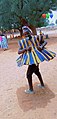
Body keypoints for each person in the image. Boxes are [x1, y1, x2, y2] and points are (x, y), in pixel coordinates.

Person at [17, 26, 48, 94]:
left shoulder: (36, 38)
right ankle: (42, 84)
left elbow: (45, 41)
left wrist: (41, 46)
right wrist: (25, 49)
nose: (26, 35)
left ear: (30, 32)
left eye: (27, 33)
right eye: (25, 34)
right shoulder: (23, 42)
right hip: (31, 59)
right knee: (37, 71)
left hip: (36, 58)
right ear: (23, 35)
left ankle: (31, 90)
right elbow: (19, 51)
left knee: (28, 74)